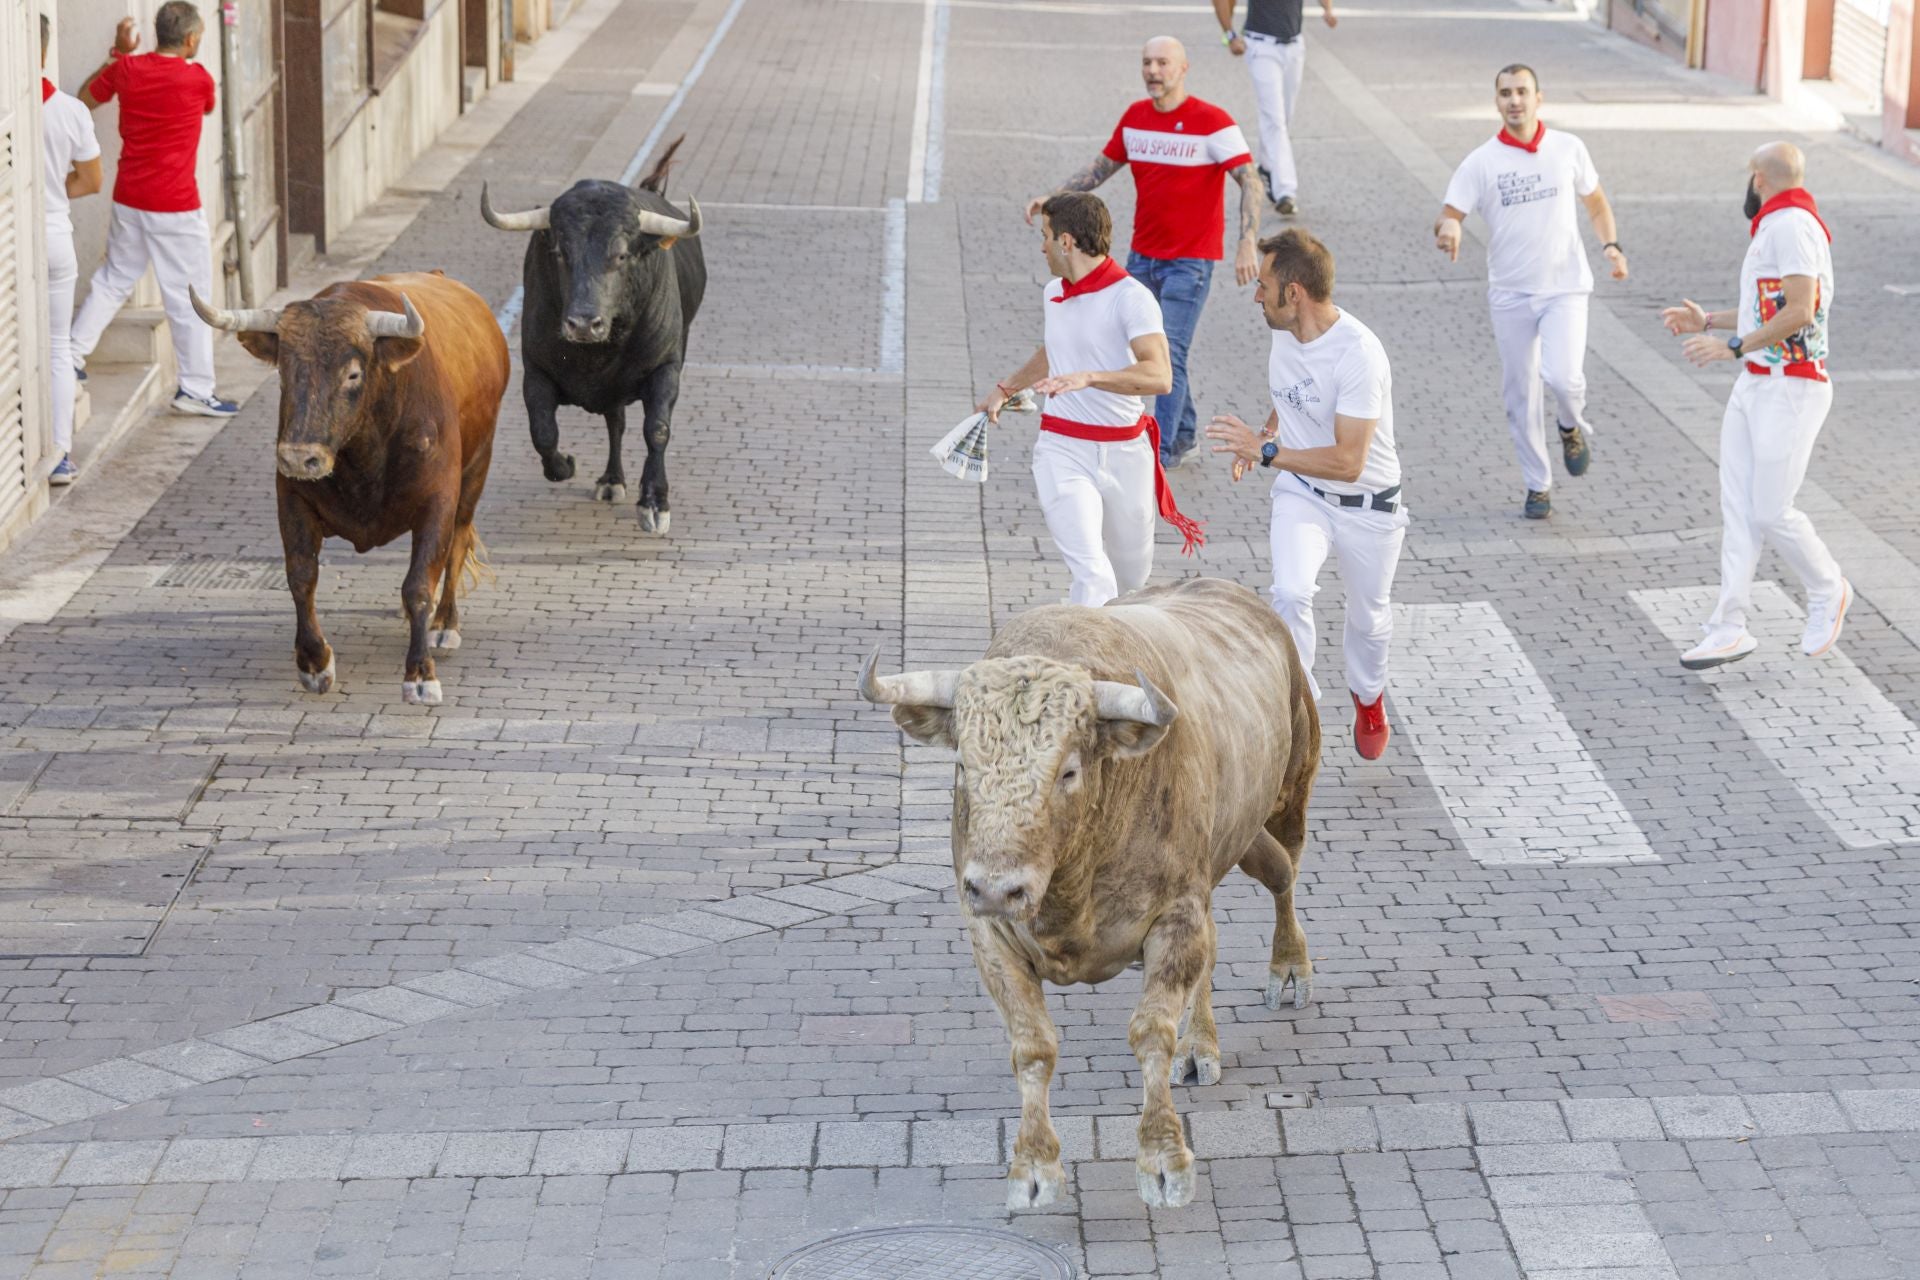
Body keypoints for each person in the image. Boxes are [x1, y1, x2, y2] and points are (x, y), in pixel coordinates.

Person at [1205, 228, 1403, 760]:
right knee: (1290, 593)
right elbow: (1293, 393)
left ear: (1294, 293)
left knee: (1370, 620)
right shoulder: (1284, 330)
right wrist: (1269, 432)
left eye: (1263, 285)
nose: (1255, 295)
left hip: (1367, 502)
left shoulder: (1359, 355)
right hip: (1302, 492)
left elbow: (1348, 462)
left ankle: (1368, 696)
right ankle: (1301, 713)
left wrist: (1267, 452)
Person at [1023, 37, 1263, 471]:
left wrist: (1247, 240)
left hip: (1191, 262)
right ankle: (1184, 433)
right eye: (1147, 62)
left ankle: (1161, 454)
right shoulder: (1135, 118)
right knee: (1142, 349)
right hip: (1142, 257)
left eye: (1163, 63)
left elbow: (1250, 180)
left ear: (1183, 68)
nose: (1153, 70)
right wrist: (1053, 199)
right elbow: (1101, 168)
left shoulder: (1213, 122)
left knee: (1169, 351)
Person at [1660, 142, 1849, 671]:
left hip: (1791, 388)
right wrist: (1709, 321)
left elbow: (1800, 310)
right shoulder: (1777, 225)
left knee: (1770, 509)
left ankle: (1828, 588)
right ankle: (1728, 627)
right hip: (1757, 384)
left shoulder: (1792, 226)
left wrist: (1734, 346)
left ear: (1758, 179)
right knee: (1739, 510)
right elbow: (1767, 307)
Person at [979, 192, 1204, 608]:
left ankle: (1098, 631)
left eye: (1045, 236)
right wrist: (1007, 388)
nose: (1042, 247)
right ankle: (1081, 647)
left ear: (1066, 242)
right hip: (1062, 449)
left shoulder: (1131, 298)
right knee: (1092, 572)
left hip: (1126, 455)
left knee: (1130, 583)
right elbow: (1057, 348)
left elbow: (1160, 376)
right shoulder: (1054, 293)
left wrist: (1091, 377)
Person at [1434, 63, 1626, 520]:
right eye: (1506, 93)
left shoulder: (1568, 148)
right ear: (1496, 102)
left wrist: (1612, 246)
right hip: (1511, 293)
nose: (1514, 100)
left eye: (1522, 91)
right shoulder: (1481, 162)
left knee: (1564, 378)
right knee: (1520, 392)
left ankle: (1569, 424)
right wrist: (1449, 229)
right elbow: (1449, 213)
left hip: (1565, 288)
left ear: (1539, 98)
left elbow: (1596, 202)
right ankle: (1538, 484)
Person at [71, 3, 238, 418]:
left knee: (114, 279)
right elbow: (208, 107)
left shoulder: (126, 69)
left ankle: (70, 356)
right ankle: (196, 389)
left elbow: (84, 98)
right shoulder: (198, 79)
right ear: (191, 39)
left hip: (130, 198)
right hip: (176, 205)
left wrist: (118, 53)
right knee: (190, 295)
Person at [40, 14, 104, 486]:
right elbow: (90, 180)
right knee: (59, 348)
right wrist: (47, 191)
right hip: (55, 236)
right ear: (45, 50)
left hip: (13, 242)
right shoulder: (70, 110)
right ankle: (60, 454)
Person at [1213, 0, 1337, 217]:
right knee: (1275, 120)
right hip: (1261, 47)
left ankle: (1267, 167)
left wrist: (1327, 9)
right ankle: (1286, 191)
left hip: (1294, 45)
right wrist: (1230, 34)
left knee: (1283, 118)